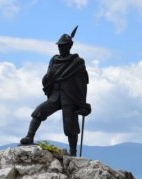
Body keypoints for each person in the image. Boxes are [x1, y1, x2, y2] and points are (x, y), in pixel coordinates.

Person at [20, 26, 91, 156]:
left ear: (69, 46)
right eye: (59, 46)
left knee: (70, 125)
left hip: (70, 96)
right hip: (55, 94)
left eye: (63, 46)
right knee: (39, 111)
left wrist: (83, 104)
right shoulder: (54, 60)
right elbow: (47, 78)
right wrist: (49, 76)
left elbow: (82, 84)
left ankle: (73, 152)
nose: (60, 48)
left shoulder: (77, 62)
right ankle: (29, 137)